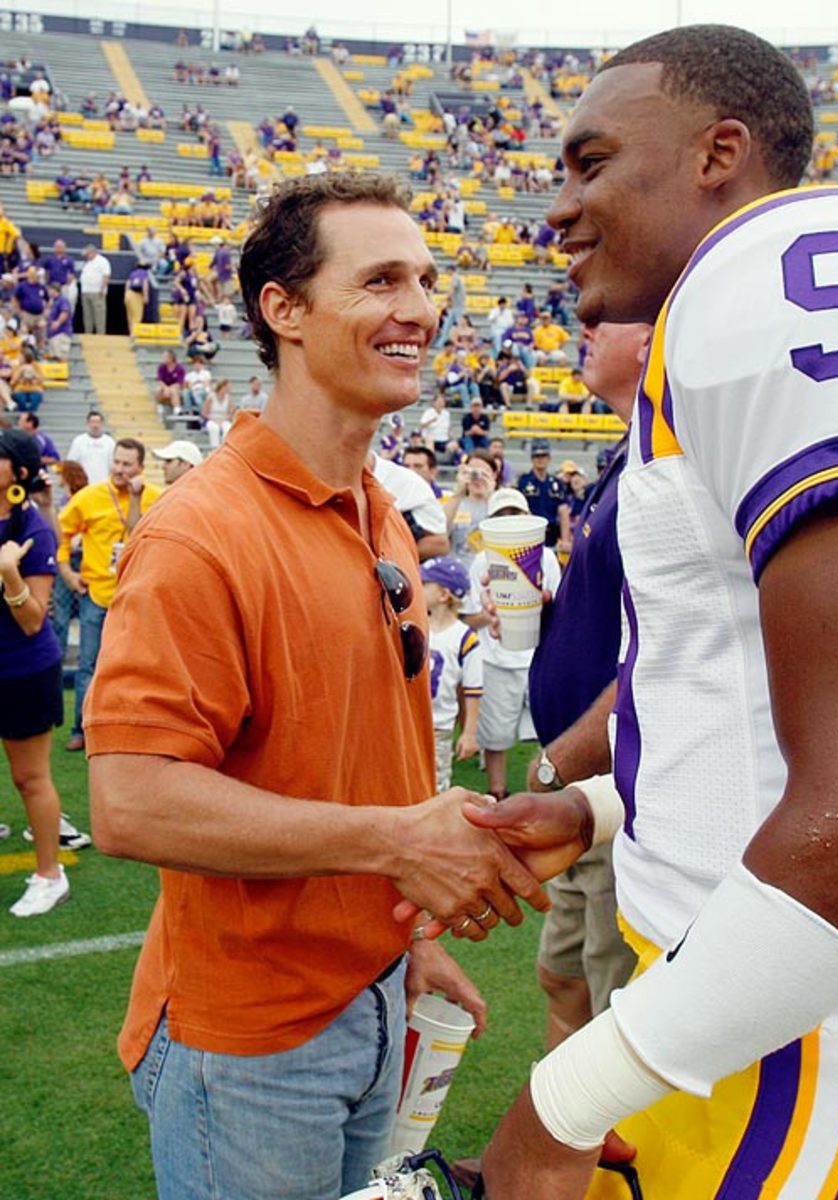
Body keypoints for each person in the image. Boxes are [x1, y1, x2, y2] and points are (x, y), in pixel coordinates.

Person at [471, 25, 838, 1199]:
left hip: (818, 1047)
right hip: (760, 1006)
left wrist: (558, 1101)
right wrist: (600, 808)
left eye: (590, 162)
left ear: (718, 151)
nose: (557, 209)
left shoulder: (779, 274)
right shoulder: (731, 300)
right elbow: (758, 699)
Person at [83, 173, 549, 1200]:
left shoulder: (373, 507)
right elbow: (127, 800)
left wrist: (403, 939)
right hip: (249, 1042)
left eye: (428, 281)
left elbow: (364, 757)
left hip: (371, 992)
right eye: (379, 279)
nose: (420, 308)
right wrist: (397, 846)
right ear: (281, 310)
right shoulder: (198, 534)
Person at [0, 430, 70, 916]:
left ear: (18, 475)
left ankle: (51, 875)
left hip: (23, 671)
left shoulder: (33, 529)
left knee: (30, 778)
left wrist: (9, 574)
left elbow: (33, 619)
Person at [58, 438, 161, 753]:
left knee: (137, 668)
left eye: (127, 464)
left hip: (137, 597)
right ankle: (81, 729)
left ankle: (130, 729)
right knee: (89, 665)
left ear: (140, 468)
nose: (120, 469)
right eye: (116, 462)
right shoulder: (89, 497)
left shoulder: (154, 497)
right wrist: (67, 571)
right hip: (98, 596)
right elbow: (63, 533)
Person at [463, 487, 562, 801]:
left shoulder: (546, 557)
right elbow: (469, 615)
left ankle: (549, 800)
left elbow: (558, 605)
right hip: (496, 659)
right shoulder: (481, 561)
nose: (508, 521)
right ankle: (498, 797)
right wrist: (497, 613)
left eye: (514, 514)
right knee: (496, 738)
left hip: (539, 659)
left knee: (553, 736)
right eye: (501, 515)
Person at [421, 554, 482, 792]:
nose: (418, 587)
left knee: (435, 786)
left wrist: (469, 733)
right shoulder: (414, 626)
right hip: (411, 720)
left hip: (440, 726)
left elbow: (473, 690)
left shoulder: (465, 638)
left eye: (425, 584)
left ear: (443, 595)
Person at [517, 440, 571, 550]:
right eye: (537, 456)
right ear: (532, 458)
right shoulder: (523, 481)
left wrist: (565, 540)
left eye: (543, 455)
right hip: (531, 536)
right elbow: (520, 510)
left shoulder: (557, 483)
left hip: (552, 537)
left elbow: (563, 512)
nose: (540, 459)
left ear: (549, 458)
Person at [66, 411, 115, 485]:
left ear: (102, 423)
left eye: (98, 422)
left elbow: (113, 465)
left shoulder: (110, 442)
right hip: (84, 485)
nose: (95, 425)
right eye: (92, 422)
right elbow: (71, 464)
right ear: (88, 423)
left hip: (103, 485)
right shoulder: (78, 441)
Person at [78, 244, 111, 334]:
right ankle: (88, 334)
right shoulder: (87, 263)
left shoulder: (102, 261)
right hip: (86, 292)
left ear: (92, 252)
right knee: (87, 316)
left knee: (99, 316)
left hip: (97, 292)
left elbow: (106, 275)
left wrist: (102, 289)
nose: (86, 256)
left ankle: (100, 335)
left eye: (87, 254)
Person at [202, 377, 234, 449]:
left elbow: (231, 414)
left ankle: (224, 447)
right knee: (214, 428)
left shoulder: (228, 398)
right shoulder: (211, 397)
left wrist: (223, 419)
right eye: (227, 386)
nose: (229, 388)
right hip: (212, 419)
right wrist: (214, 419)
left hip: (224, 419)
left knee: (227, 427)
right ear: (223, 387)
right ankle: (214, 448)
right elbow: (204, 413)